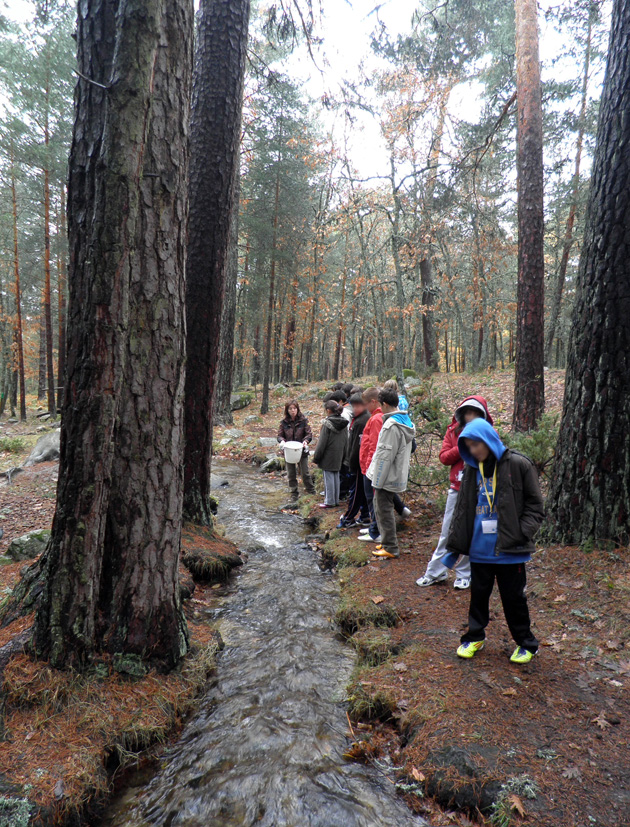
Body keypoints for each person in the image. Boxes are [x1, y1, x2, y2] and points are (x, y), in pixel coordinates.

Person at [446, 418, 544, 664]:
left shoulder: (519, 464)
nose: (474, 451)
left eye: (476, 444)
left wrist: (522, 532)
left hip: (511, 550)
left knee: (514, 599)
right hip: (480, 550)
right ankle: (475, 636)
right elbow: (463, 509)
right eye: (468, 446)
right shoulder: (471, 469)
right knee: (478, 597)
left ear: (489, 440)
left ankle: (526, 643)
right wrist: (456, 546)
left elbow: (535, 505)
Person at [416, 396, 493, 590]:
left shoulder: (490, 433)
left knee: (473, 532)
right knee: (448, 532)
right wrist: (462, 447)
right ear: (462, 414)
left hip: (480, 489)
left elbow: (495, 458)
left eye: (475, 413)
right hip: (457, 488)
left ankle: (464, 574)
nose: (471, 417)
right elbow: (444, 457)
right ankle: (435, 572)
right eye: (468, 413)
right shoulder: (453, 432)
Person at [365, 388, 416, 559]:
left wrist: (377, 480)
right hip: (395, 474)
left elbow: (385, 456)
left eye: (381, 405)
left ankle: (391, 547)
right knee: (381, 507)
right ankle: (387, 541)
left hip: (387, 476)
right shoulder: (405, 420)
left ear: (385, 404)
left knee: (383, 509)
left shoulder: (391, 426)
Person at [337, 393, 371, 528]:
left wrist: (351, 464)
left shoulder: (362, 421)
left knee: (355, 492)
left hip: (357, 463)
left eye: (358, 406)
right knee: (361, 492)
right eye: (353, 406)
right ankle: (364, 516)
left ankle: (349, 518)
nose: (355, 408)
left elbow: (358, 447)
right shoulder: (357, 419)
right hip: (358, 462)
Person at [277, 400, 316, 505]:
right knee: (291, 473)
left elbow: (309, 434)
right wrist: (282, 441)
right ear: (287, 410)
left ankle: (311, 491)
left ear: (297, 409)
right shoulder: (284, 422)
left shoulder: (303, 420)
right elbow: (280, 435)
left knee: (305, 473)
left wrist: (306, 441)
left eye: (294, 408)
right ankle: (294, 493)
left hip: (301, 450)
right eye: (290, 409)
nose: (292, 411)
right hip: (289, 450)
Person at [313, 400, 349, 508]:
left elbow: (322, 443)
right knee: (336, 476)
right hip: (339, 455)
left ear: (328, 411)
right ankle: (336, 500)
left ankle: (329, 501)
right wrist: (345, 455)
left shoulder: (327, 424)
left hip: (328, 456)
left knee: (328, 477)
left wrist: (316, 457)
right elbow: (346, 441)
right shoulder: (344, 423)